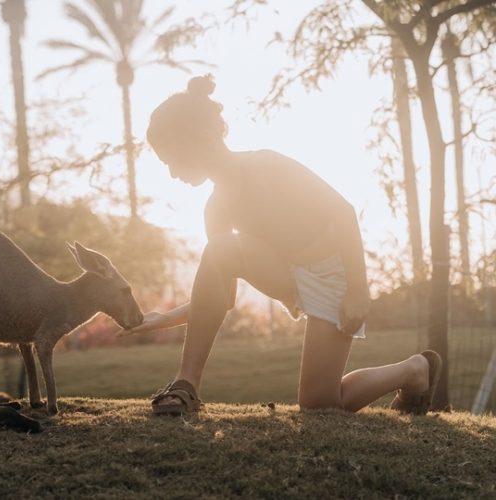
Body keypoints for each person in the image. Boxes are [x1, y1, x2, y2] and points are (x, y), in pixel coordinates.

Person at [121, 75, 441, 415]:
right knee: (220, 250)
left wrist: (358, 289)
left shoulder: (266, 165)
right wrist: (163, 318)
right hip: (285, 274)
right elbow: (219, 295)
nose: (172, 173)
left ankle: (415, 370)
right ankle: (186, 384)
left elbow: (343, 212)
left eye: (173, 159)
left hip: (333, 276)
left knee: (319, 404)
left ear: (201, 138)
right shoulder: (215, 208)